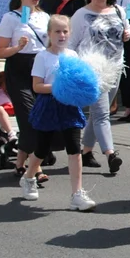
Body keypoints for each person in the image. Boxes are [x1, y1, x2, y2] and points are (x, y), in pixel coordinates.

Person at [18, 14, 97, 211]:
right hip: (48, 105)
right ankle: (28, 178)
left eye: (65, 31)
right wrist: (59, 88)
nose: (61, 35)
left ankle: (77, 194)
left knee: (74, 149)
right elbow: (36, 86)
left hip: (69, 106)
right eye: (57, 31)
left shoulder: (72, 55)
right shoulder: (42, 56)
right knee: (42, 149)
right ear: (49, 34)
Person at [70, 0, 130, 173]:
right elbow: (71, 44)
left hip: (115, 67)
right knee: (102, 114)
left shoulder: (118, 10)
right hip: (92, 70)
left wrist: (127, 33)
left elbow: (127, 28)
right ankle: (110, 154)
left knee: (96, 114)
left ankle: (86, 152)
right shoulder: (80, 14)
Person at [0, 0, 47, 176]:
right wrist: (18, 47)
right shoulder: (10, 17)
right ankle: (36, 168)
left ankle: (20, 163)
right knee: (29, 116)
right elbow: (1, 51)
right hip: (18, 69)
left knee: (39, 117)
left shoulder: (44, 17)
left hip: (40, 68)